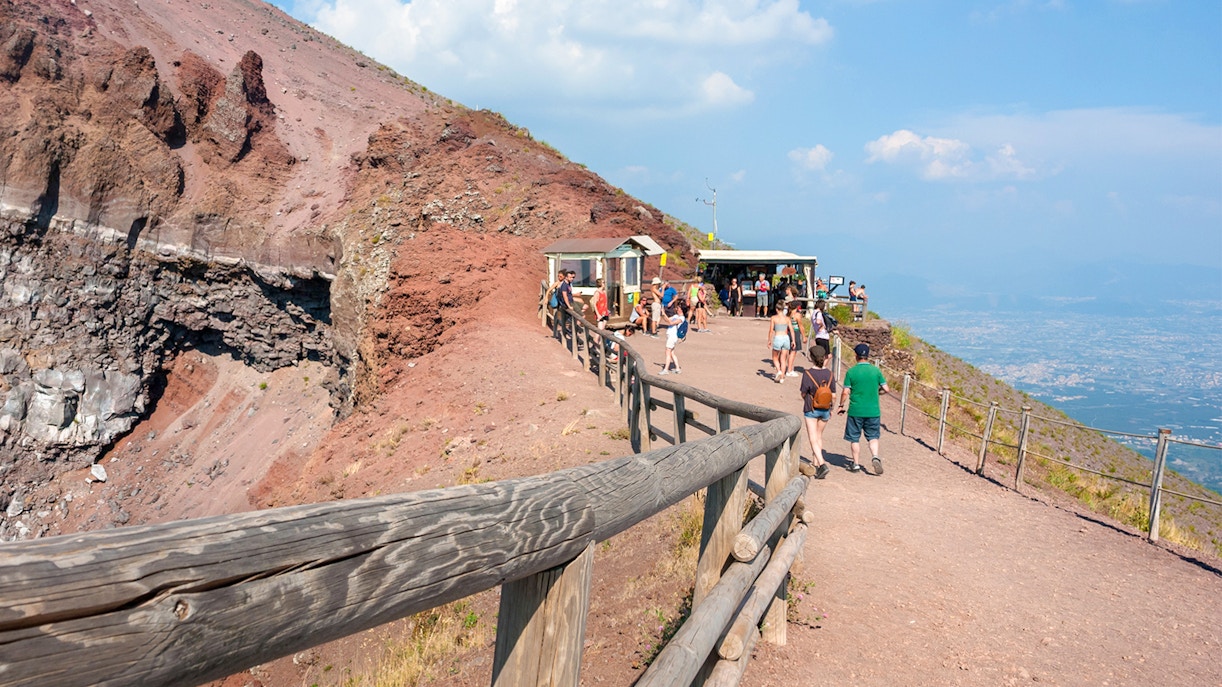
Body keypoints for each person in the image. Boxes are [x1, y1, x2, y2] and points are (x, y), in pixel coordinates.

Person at [838, 343, 891, 474]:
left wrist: (841, 405)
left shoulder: (851, 372)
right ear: (867, 356)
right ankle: (875, 456)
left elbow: (845, 392)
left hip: (856, 410)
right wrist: (877, 392)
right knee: (873, 436)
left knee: (854, 438)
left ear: (856, 356)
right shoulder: (876, 371)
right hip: (873, 410)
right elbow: (886, 389)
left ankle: (856, 464)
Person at [800, 345, 835, 479]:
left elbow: (803, 392)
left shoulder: (808, 373)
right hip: (826, 409)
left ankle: (822, 464)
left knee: (813, 438)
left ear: (812, 358)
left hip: (811, 408)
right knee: (819, 436)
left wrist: (808, 400)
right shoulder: (830, 374)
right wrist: (831, 407)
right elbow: (833, 394)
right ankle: (815, 463)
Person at [766, 302, 793, 383]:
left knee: (775, 357)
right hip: (786, 338)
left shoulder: (774, 318)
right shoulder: (787, 318)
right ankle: (782, 378)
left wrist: (769, 340)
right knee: (783, 359)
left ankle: (779, 371)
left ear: (776, 309)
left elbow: (771, 330)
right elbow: (791, 330)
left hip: (778, 337)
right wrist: (793, 340)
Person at [660, 300, 686, 375]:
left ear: (681, 309)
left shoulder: (682, 318)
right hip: (669, 335)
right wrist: (663, 314)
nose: (677, 309)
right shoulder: (675, 316)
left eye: (678, 308)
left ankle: (666, 369)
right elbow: (667, 320)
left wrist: (664, 313)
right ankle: (677, 368)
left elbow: (671, 322)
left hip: (673, 336)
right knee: (671, 352)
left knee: (667, 351)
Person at [785, 298, 803, 378]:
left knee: (789, 351)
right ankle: (789, 370)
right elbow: (800, 326)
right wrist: (804, 336)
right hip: (795, 332)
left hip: (788, 332)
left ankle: (788, 368)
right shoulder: (797, 315)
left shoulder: (788, 315)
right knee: (793, 352)